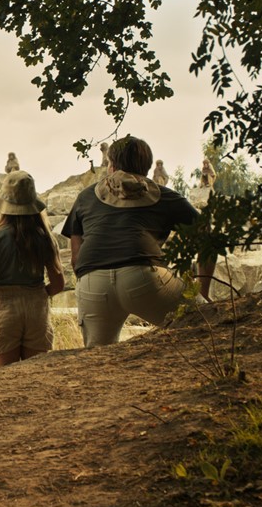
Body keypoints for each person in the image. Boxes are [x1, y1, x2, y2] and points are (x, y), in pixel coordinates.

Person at [60, 135, 214, 348]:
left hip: (92, 280)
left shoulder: (86, 196)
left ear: (111, 165)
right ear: (148, 167)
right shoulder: (165, 196)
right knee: (205, 322)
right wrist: (203, 291)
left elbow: (76, 258)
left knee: (97, 357)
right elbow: (208, 238)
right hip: (144, 275)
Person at [0, 171, 65, 366]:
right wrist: (37, 293)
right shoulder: (45, 237)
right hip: (36, 308)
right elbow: (58, 284)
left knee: (7, 377)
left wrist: (3, 292)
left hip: (4, 308)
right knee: (34, 374)